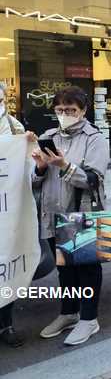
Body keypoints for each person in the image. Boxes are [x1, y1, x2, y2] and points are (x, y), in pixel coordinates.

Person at [32, 86, 109, 345]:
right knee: (64, 269)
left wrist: (64, 165)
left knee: (87, 268)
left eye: (71, 110)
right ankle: (69, 312)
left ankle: (89, 318)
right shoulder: (48, 136)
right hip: (52, 213)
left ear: (83, 110)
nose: (65, 114)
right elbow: (33, 180)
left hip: (82, 213)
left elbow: (93, 179)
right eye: (60, 109)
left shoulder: (94, 138)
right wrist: (41, 168)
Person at [0, 82, 28, 348]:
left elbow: (27, 158)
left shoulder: (13, 125)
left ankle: (6, 324)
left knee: (5, 266)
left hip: (7, 209)